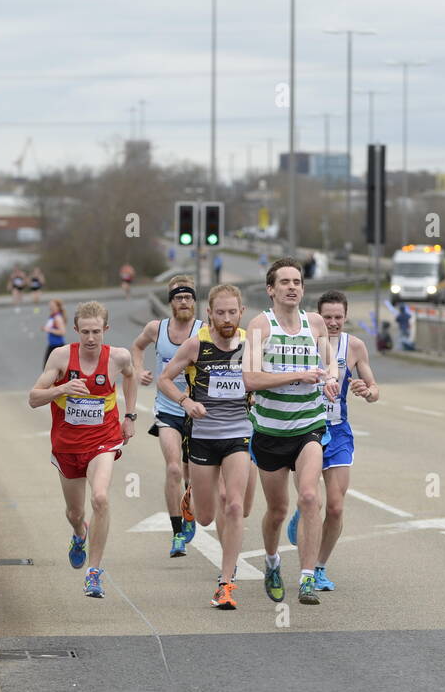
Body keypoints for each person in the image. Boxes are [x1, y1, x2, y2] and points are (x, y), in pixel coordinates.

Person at [244, 258, 340, 606]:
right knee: (278, 510)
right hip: (270, 430)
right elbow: (250, 379)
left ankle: (306, 578)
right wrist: (294, 376)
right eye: (284, 282)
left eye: (297, 281)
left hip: (308, 425)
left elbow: (330, 361)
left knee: (311, 497)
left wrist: (330, 378)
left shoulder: (314, 323)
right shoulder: (260, 325)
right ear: (271, 289)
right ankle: (271, 561)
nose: (292, 287)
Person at [28, 301, 137, 599]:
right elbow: (34, 398)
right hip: (67, 445)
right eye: (85, 332)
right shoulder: (61, 357)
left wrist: (130, 416)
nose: (91, 338)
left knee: (100, 497)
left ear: (106, 330)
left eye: (97, 332)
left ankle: (94, 573)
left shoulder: (118, 356)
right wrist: (61, 389)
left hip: (103, 439)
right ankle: (79, 534)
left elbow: (131, 375)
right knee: (76, 512)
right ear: (75, 330)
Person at [158, 285, 253, 609]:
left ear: (242, 312)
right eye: (220, 312)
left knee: (235, 505)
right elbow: (164, 380)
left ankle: (225, 583)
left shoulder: (251, 344)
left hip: (238, 434)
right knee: (205, 518)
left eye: (233, 312)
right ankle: (192, 499)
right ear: (209, 314)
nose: (227, 318)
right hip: (202, 436)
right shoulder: (196, 344)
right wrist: (185, 401)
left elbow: (265, 379)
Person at [284, 290, 380, 591]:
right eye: (328, 317)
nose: (334, 323)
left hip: (337, 431)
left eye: (339, 317)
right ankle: (306, 570)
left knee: (336, 508)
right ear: (318, 316)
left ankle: (321, 567)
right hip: (305, 428)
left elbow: (375, 390)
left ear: (346, 316)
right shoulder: (304, 342)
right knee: (313, 500)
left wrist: (367, 390)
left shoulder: (355, 346)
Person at [130, 278, 203, 556]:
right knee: (173, 468)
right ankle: (177, 534)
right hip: (168, 410)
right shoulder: (156, 329)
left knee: (191, 473)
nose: (183, 302)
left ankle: (189, 510)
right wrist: (139, 370)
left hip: (197, 411)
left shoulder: (203, 331)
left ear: (194, 301)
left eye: (188, 297)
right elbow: (137, 347)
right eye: (178, 297)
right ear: (171, 302)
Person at [43, 297, 67, 365]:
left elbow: (62, 332)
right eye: (50, 306)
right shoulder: (53, 316)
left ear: (58, 307)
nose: (51, 307)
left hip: (57, 345)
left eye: (53, 306)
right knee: (48, 366)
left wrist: (49, 330)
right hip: (52, 344)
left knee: (48, 367)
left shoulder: (57, 317)